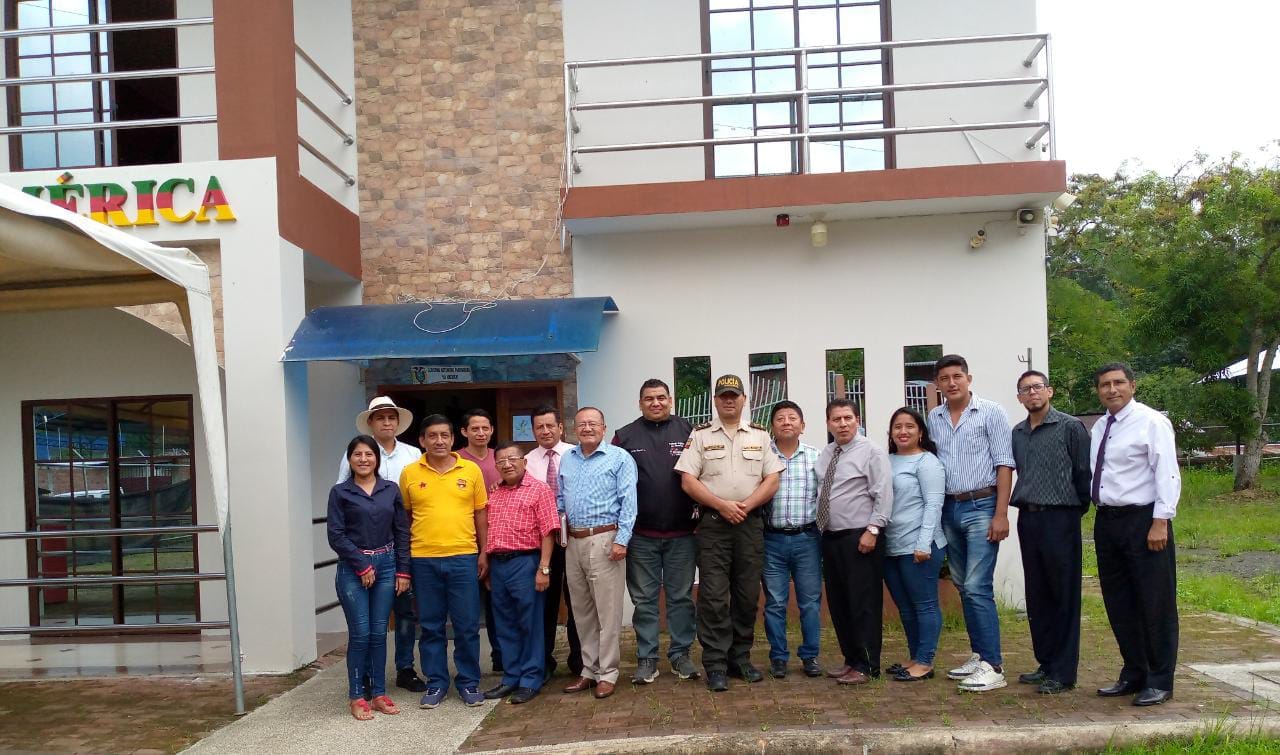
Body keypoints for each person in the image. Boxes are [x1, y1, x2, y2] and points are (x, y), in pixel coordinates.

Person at [675, 374, 783, 691]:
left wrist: (745, 506)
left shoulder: (760, 435)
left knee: (747, 595)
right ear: (715, 401)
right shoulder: (700, 436)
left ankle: (740, 659)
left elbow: (772, 479)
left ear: (744, 400)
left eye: (734, 396)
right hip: (714, 525)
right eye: (723, 396)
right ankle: (716, 664)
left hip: (749, 523)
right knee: (713, 596)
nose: (729, 401)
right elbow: (687, 480)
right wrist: (722, 506)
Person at [1091, 363, 1181, 707]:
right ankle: (1134, 671)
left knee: (1155, 602)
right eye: (1105, 385)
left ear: (1132, 385)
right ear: (1098, 391)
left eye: (1118, 383)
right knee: (1119, 601)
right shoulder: (1101, 426)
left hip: (1144, 520)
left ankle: (1160, 679)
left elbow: (1167, 472)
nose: (1112, 389)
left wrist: (1161, 521)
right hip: (1108, 521)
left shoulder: (1151, 422)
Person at [926, 354, 1014, 692]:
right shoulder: (934, 417)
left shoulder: (991, 412)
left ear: (968, 378)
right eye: (944, 378)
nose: (951, 383)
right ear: (937, 384)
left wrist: (1001, 513)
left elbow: (1004, 463)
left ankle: (994, 665)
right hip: (950, 508)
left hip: (983, 505)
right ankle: (980, 655)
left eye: (957, 376)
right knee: (963, 585)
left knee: (978, 586)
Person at [612, 379, 701, 684]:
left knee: (681, 598)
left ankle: (680, 655)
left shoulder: (690, 431)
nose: (655, 403)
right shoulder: (624, 436)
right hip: (641, 535)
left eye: (661, 397)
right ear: (640, 403)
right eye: (649, 399)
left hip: (683, 534)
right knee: (644, 600)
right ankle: (647, 658)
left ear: (670, 400)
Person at [336, 396, 426, 694]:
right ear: (371, 422)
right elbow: (342, 498)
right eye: (380, 418)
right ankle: (364, 678)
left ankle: (405, 668)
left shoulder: (413, 454)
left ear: (397, 422)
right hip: (364, 549)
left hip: (400, 544)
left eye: (391, 417)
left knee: (406, 612)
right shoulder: (355, 454)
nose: (386, 422)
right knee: (368, 626)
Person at [1011, 370, 1092, 695]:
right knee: (1038, 594)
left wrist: (1072, 508)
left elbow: (1083, 472)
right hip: (1028, 519)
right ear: (1019, 397)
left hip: (1061, 517)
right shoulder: (1018, 432)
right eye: (1025, 389)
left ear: (1050, 391)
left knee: (1063, 594)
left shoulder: (1070, 427)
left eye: (1037, 387)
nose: (1032, 393)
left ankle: (1063, 671)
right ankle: (1045, 662)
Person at [399, 415, 489, 709]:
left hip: (463, 556)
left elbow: (480, 513)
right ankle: (436, 682)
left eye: (444, 435)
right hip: (423, 559)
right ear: (422, 441)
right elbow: (406, 517)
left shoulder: (471, 470)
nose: (439, 441)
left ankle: (469, 682)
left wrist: (484, 551)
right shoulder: (410, 473)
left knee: (466, 625)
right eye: (432, 436)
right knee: (430, 626)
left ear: (453, 439)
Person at [327, 435, 411, 720]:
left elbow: (401, 531)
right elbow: (335, 535)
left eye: (369, 454)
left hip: (387, 565)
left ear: (377, 458)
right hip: (353, 569)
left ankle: (378, 694)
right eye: (357, 454)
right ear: (349, 460)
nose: (363, 459)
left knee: (378, 633)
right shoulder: (340, 492)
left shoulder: (390, 489)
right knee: (361, 633)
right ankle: (356, 696)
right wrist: (362, 565)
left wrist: (403, 570)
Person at [557, 407, 637, 700]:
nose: (587, 428)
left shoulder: (619, 458)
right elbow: (560, 498)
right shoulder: (568, 458)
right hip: (573, 541)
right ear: (574, 429)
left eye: (593, 423)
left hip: (605, 540)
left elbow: (629, 502)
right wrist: (562, 531)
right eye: (581, 424)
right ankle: (589, 670)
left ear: (604, 427)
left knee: (607, 612)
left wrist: (622, 540)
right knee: (582, 612)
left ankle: (608, 673)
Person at [816, 399, 893, 685]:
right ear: (828, 424)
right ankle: (851, 659)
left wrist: (873, 529)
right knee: (840, 603)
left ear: (857, 420)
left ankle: (868, 665)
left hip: (860, 537)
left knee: (863, 603)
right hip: (831, 537)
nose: (843, 424)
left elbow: (883, 493)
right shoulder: (827, 453)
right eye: (836, 419)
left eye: (848, 418)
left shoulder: (871, 451)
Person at [482, 442, 561, 705]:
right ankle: (511, 677)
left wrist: (544, 568)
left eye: (512, 459)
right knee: (504, 624)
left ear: (524, 462)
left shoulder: (539, 489)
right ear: (496, 466)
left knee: (530, 624)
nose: (507, 464)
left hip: (526, 563)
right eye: (501, 461)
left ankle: (530, 679)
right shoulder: (495, 493)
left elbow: (548, 531)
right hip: (499, 564)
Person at [883, 407, 947, 683]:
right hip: (891, 547)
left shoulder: (927, 462)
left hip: (919, 547)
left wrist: (924, 544)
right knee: (906, 607)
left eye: (909, 426)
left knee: (925, 605)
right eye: (897, 426)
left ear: (920, 432)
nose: (903, 431)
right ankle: (914, 657)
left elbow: (933, 505)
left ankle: (925, 661)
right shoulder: (887, 461)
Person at [761, 400, 823, 679]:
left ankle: (810, 655)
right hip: (771, 540)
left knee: (809, 602)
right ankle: (778, 656)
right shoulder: (763, 456)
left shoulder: (816, 457)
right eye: (780, 419)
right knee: (775, 602)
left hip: (806, 539)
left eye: (792, 418)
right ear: (772, 426)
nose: (786, 422)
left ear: (802, 425)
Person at [523, 405, 583, 682]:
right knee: (545, 604)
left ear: (561, 428)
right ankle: (544, 660)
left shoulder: (577, 454)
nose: (545, 431)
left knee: (577, 601)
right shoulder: (526, 462)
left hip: (575, 537)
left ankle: (579, 660)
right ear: (533, 430)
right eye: (539, 427)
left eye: (550, 426)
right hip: (542, 542)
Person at [457, 407, 503, 674]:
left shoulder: (501, 459)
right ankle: (468, 665)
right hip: (464, 541)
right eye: (475, 428)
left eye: (485, 428)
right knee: (468, 605)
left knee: (497, 601)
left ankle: (500, 656)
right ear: (464, 432)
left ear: (492, 430)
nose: (481, 433)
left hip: (499, 539)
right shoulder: (456, 460)